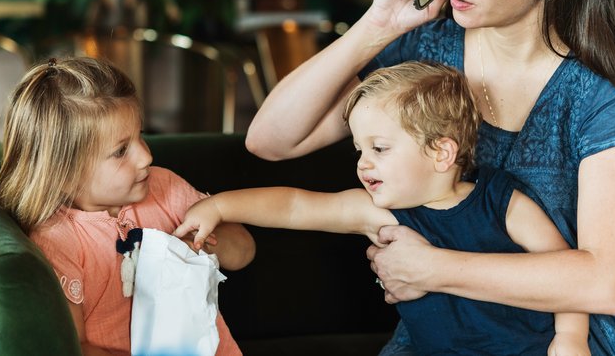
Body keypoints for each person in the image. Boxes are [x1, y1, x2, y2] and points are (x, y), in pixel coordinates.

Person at [244, 0, 615, 354]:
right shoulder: (427, 52)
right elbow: (271, 140)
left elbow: (607, 285)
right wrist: (376, 28)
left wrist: (430, 268)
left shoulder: (601, 102)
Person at [176, 61, 590, 355]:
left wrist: (570, 338)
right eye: (359, 149)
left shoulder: (504, 203)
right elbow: (296, 206)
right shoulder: (380, 213)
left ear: (442, 152)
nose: (363, 163)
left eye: (380, 148)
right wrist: (220, 205)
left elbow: (562, 273)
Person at [0, 57, 255, 356]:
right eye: (120, 151)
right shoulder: (57, 240)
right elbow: (75, 347)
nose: (145, 157)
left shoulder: (163, 187)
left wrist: (201, 244)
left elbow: (244, 252)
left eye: (141, 135)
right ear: (62, 172)